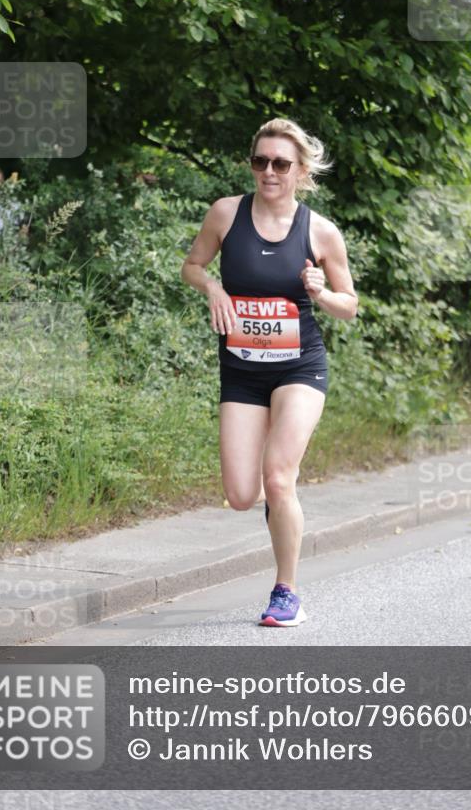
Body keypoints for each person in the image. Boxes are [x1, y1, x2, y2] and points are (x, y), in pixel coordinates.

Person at [181, 117, 358, 626]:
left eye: (281, 163)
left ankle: (287, 593)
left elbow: (350, 305)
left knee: (279, 477)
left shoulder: (320, 231)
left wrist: (320, 292)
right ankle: (274, 503)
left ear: (301, 171)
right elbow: (192, 266)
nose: (269, 172)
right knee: (242, 494)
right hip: (241, 369)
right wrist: (213, 288)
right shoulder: (225, 214)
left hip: (300, 366)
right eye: (260, 161)